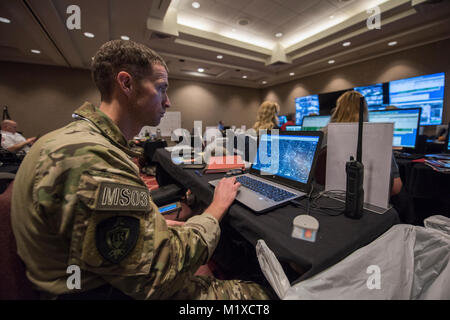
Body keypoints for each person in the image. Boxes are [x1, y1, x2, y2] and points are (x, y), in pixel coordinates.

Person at [11, 40, 272, 300]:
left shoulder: (65, 140)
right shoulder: (92, 159)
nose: (168, 102)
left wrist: (162, 225)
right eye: (161, 89)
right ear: (126, 84)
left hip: (90, 276)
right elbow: (158, 278)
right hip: (108, 292)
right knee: (262, 295)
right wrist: (215, 209)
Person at [321, 90, 403, 196]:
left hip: (328, 197)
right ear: (365, 111)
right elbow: (395, 187)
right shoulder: (379, 138)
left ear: (338, 110)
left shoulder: (323, 135)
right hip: (370, 203)